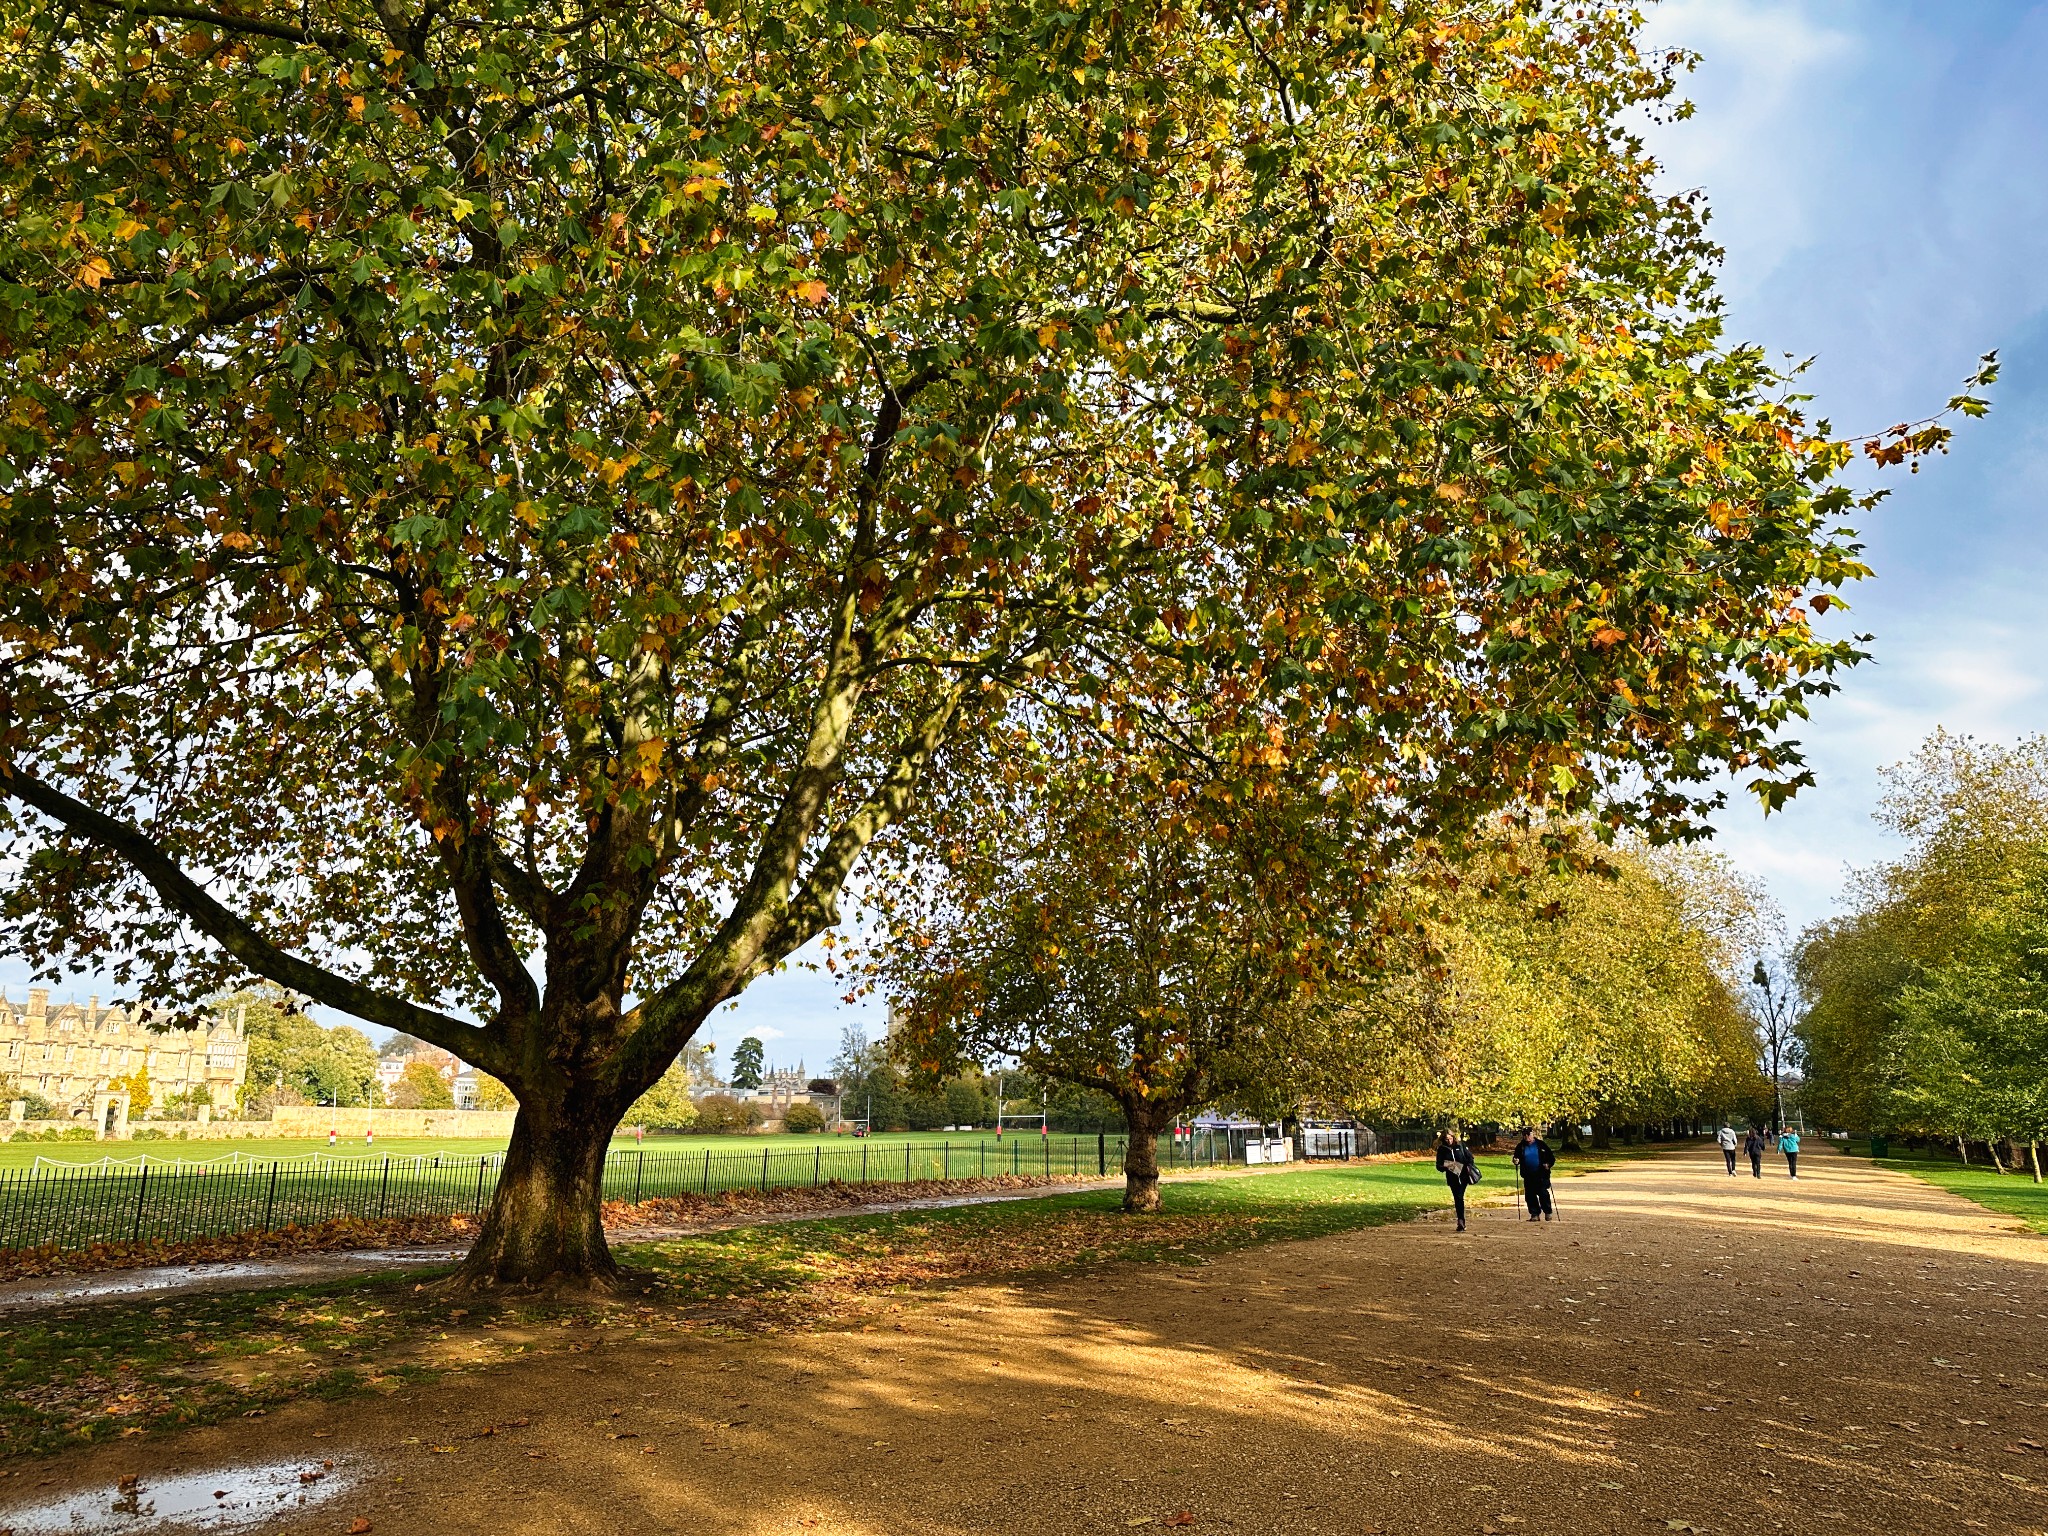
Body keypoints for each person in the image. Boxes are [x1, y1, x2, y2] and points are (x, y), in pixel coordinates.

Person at [1435, 1129, 1477, 1232]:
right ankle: (1461, 1221)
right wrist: (1450, 1166)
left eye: (1450, 1138)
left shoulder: (1461, 1146)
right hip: (1452, 1178)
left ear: (1453, 1137)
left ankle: (1461, 1220)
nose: (1449, 1141)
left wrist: (1466, 1166)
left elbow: (1470, 1158)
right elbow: (1439, 1165)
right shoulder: (1442, 1149)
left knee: (1459, 1197)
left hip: (1463, 1177)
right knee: (1458, 1198)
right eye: (1446, 1139)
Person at [1516, 1128, 1556, 1221]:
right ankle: (1534, 1214)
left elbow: (1551, 1158)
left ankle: (1547, 1212)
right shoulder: (1521, 1146)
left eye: (1528, 1134)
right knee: (1530, 1195)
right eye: (1524, 1135)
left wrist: (1548, 1165)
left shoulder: (1541, 1144)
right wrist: (1516, 1161)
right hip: (1528, 1174)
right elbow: (1516, 1157)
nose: (1526, 1137)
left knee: (1543, 1193)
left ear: (1532, 1134)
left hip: (1541, 1174)